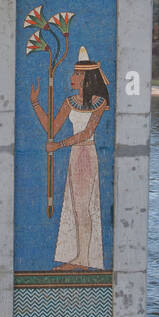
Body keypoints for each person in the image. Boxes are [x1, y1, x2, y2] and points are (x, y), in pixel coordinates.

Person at [30, 45, 109, 270]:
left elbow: (87, 133)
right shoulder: (69, 101)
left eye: (77, 74)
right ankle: (80, 258)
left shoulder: (99, 102)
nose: (73, 78)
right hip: (75, 155)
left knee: (84, 208)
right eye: (74, 73)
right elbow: (52, 127)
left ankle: (83, 260)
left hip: (86, 154)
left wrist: (59, 145)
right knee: (76, 208)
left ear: (87, 77)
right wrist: (35, 103)